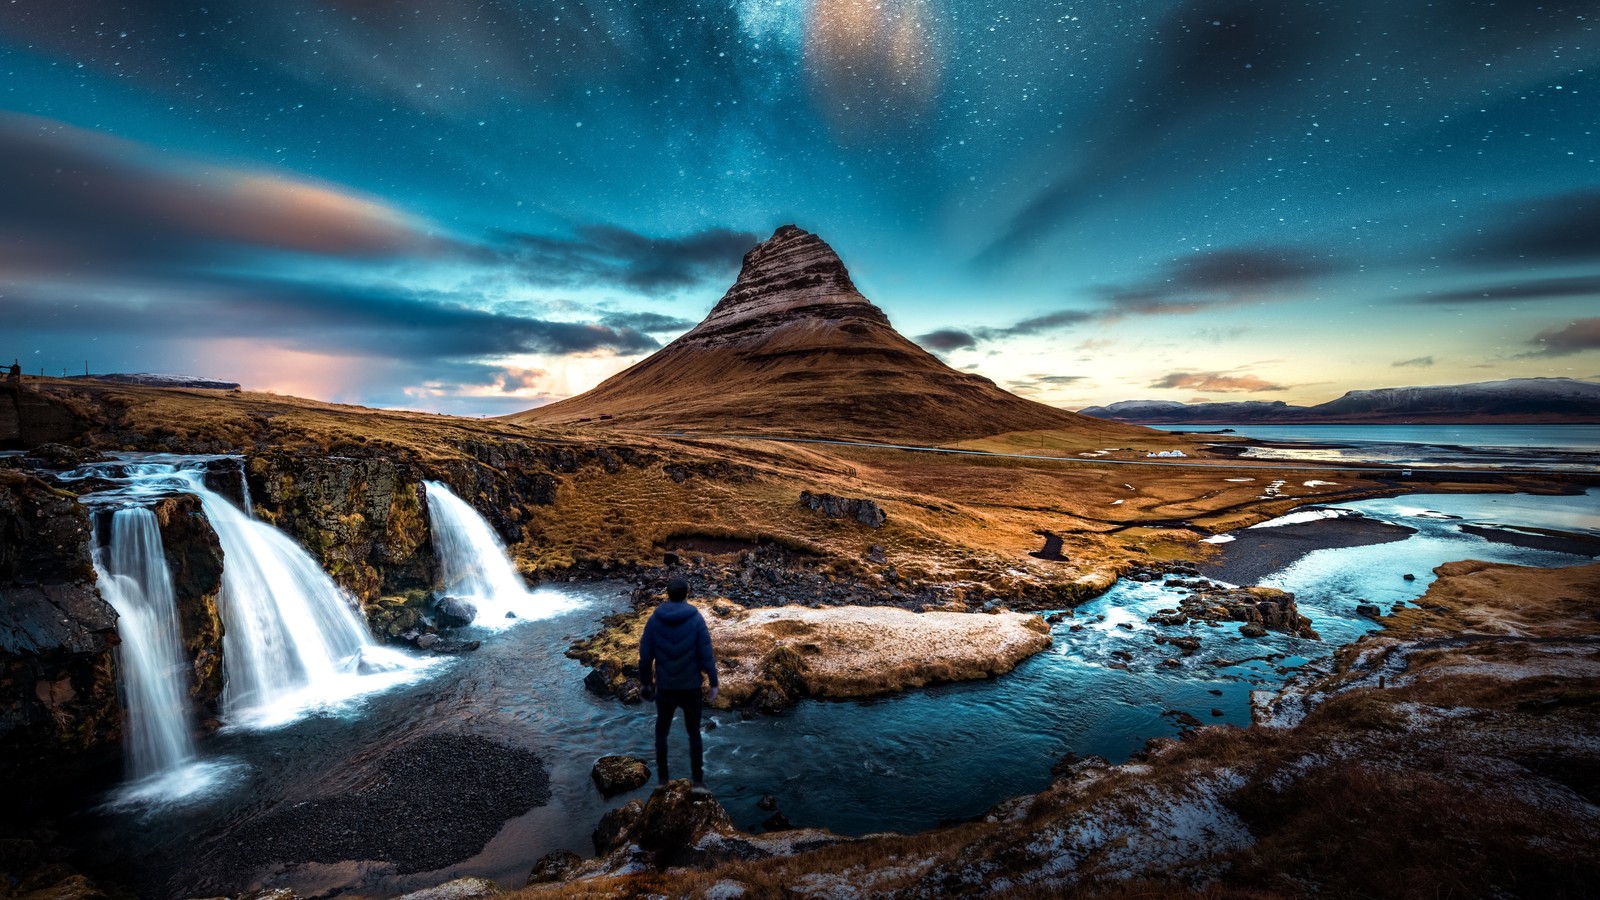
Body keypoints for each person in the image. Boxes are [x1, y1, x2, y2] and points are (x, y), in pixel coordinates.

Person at [638, 575, 719, 792]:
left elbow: (645, 657)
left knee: (661, 732)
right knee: (694, 733)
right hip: (691, 687)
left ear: (668, 593)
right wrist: (713, 682)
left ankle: (662, 781)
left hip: (665, 688)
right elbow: (706, 654)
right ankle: (698, 783)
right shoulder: (695, 619)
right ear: (686, 593)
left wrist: (646, 684)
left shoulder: (655, 620)